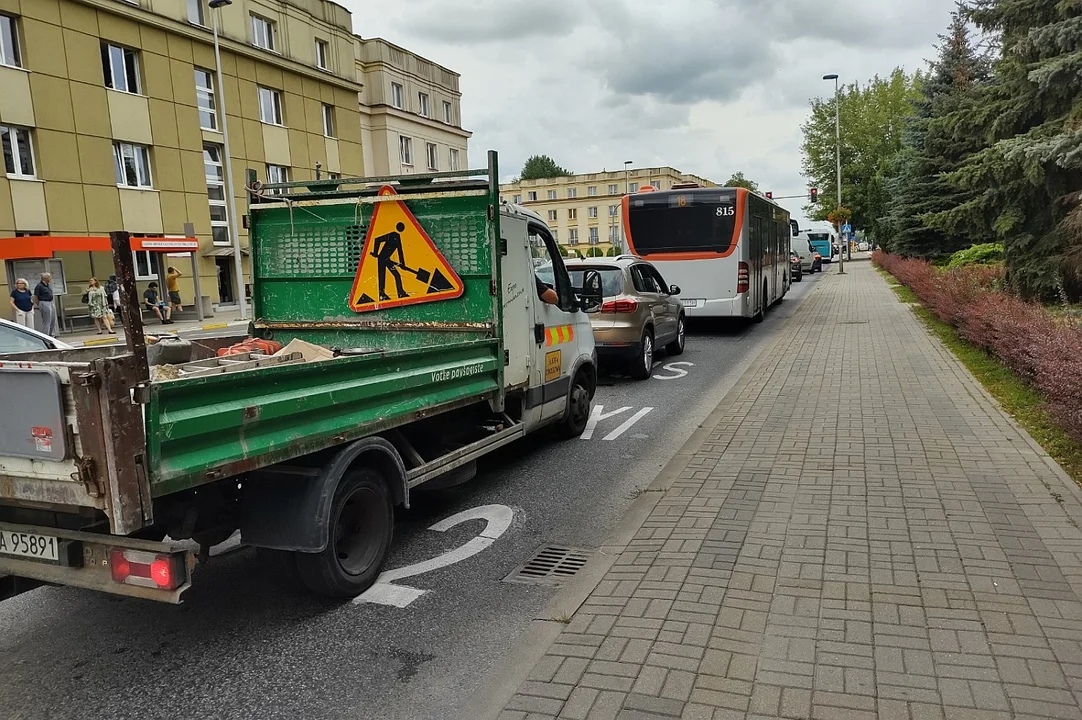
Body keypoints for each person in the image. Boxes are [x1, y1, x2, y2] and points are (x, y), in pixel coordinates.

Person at [33, 272, 57, 337]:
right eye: (49, 277)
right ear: (45, 278)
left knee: (52, 320)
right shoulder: (39, 286)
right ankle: (46, 336)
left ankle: (51, 334)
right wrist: (38, 305)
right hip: (44, 302)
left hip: (50, 302)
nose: (50, 278)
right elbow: (36, 297)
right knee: (47, 321)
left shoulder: (47, 285)